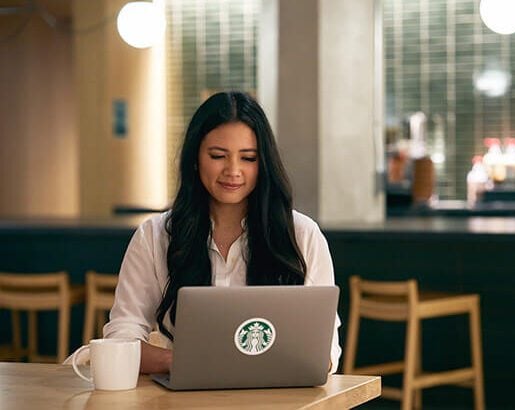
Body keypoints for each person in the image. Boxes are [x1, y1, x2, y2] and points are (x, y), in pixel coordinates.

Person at [104, 91, 341, 374]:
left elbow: (325, 355)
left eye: (248, 158)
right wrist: (184, 361)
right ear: (195, 158)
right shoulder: (155, 236)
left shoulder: (302, 236)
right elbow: (121, 338)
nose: (233, 170)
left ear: (263, 164)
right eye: (218, 156)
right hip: (183, 399)